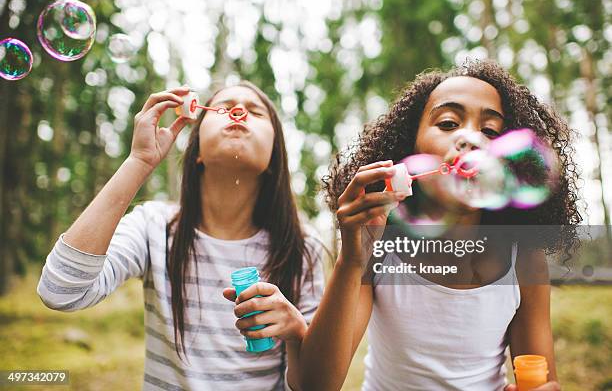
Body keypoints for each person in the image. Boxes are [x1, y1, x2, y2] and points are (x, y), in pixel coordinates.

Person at [296, 60, 580, 390]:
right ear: (408, 146)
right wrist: (351, 261)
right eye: (448, 123)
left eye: (490, 131)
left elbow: (540, 377)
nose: (471, 138)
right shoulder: (381, 248)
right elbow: (314, 384)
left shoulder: (523, 258)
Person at [37, 81, 324, 391]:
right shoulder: (154, 227)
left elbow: (315, 385)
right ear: (197, 149)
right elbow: (60, 291)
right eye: (225, 107)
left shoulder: (301, 248)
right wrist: (139, 162)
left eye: (255, 111)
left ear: (273, 158)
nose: (239, 112)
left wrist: (296, 332)